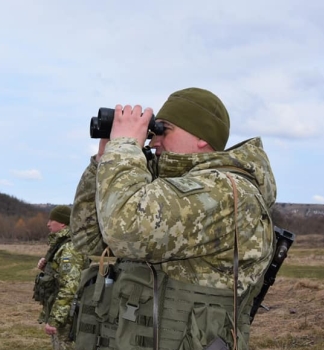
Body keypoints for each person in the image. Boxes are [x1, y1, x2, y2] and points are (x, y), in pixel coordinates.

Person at [70, 87, 277, 350]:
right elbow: (88, 239)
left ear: (202, 137)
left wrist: (124, 148)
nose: (154, 140)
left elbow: (123, 232)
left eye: (163, 130)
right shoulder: (162, 190)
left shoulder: (227, 192)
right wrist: (102, 162)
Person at [33, 205, 89, 350]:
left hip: (68, 317)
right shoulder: (60, 244)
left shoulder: (70, 247)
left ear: (63, 223)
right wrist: (46, 267)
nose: (48, 224)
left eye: (52, 220)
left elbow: (69, 288)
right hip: (63, 312)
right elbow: (61, 276)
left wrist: (55, 320)